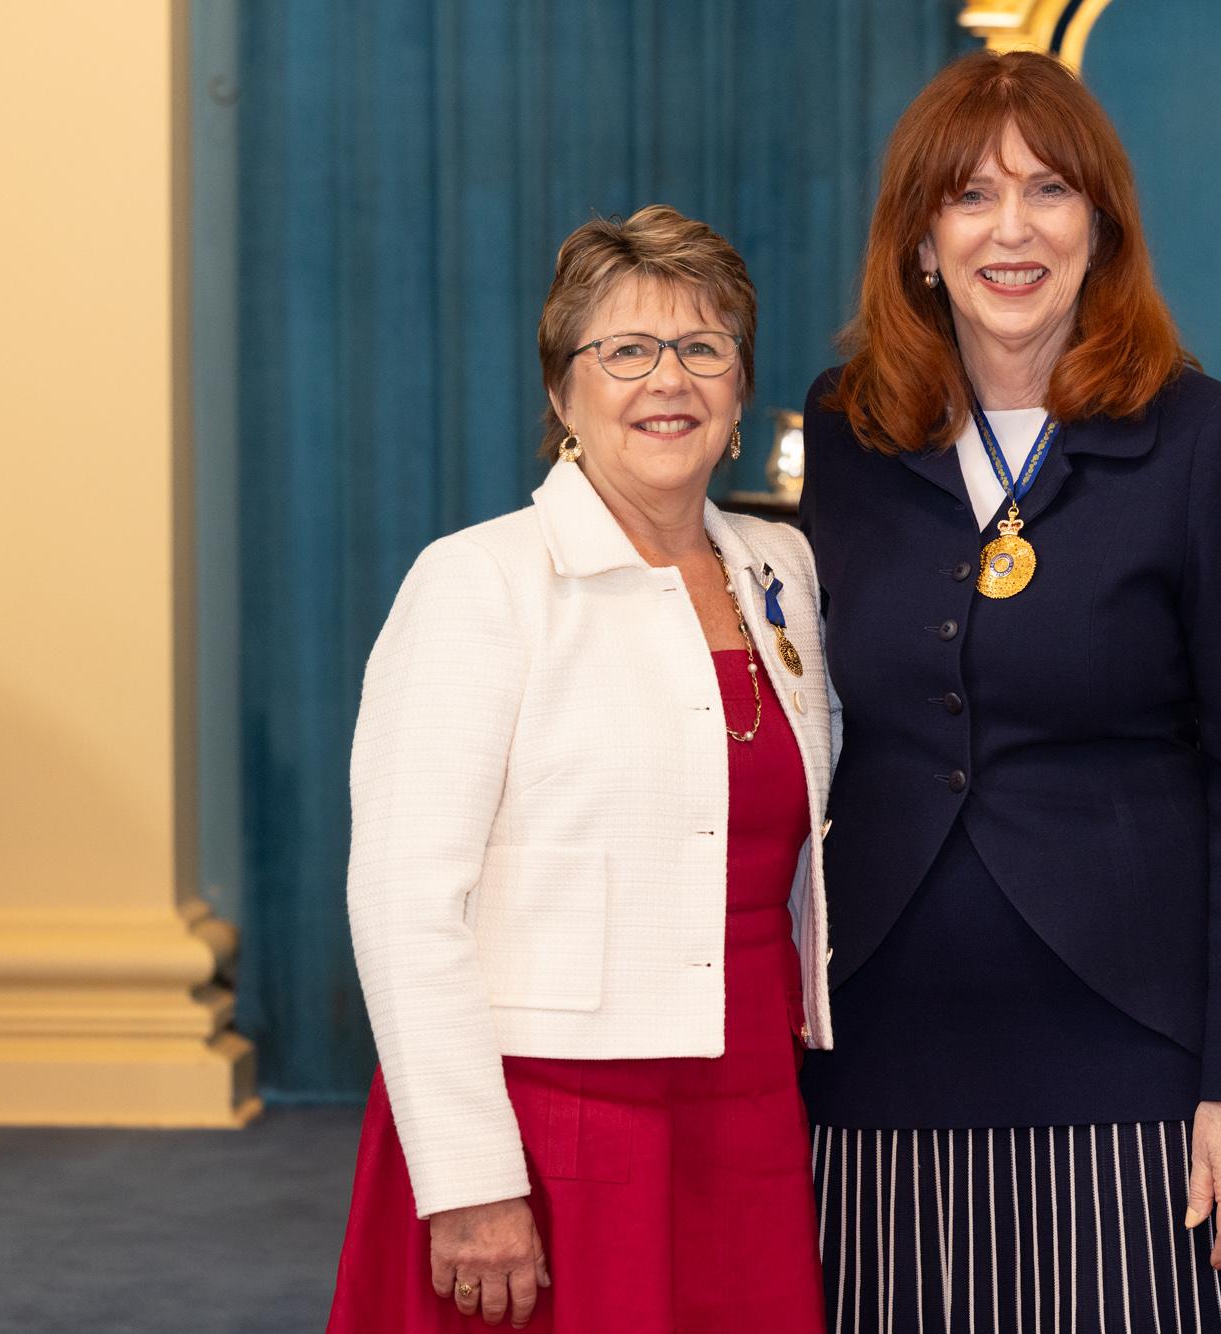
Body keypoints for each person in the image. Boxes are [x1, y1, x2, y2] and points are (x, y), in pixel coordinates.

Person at [796, 50, 1221, 1333]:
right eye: (970, 197)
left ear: (1100, 228)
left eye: (1047, 192)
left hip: (1137, 1047)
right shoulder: (846, 428)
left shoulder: (1203, 437)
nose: (1011, 229)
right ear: (921, 242)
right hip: (882, 1042)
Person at [327, 205, 835, 1333]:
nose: (669, 378)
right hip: (547, 1120)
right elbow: (406, 903)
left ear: (741, 394)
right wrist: (468, 1179)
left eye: (704, 348)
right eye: (625, 351)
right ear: (562, 393)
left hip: (748, 1098)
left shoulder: (781, 566)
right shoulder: (477, 583)